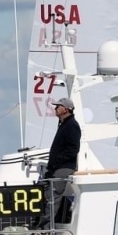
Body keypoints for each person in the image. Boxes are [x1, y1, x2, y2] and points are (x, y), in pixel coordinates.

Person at [44, 97, 81, 227]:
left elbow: (73, 149)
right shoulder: (64, 124)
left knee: (53, 198)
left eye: (58, 106)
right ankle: (45, 227)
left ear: (65, 109)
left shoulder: (71, 125)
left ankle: (46, 229)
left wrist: (56, 163)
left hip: (63, 168)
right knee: (50, 197)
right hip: (57, 168)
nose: (55, 108)